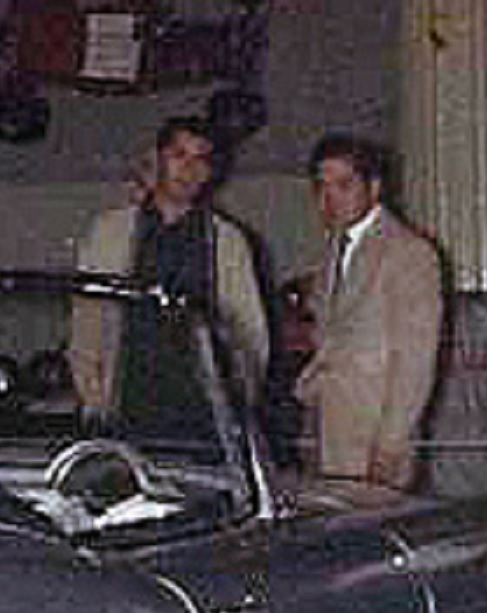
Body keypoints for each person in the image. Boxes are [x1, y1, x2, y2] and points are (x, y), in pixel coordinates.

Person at [72, 115, 270, 413]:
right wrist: (92, 397)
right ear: (157, 159)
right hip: (125, 398)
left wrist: (239, 403)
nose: (189, 169)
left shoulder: (227, 241)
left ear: (210, 172)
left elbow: (249, 331)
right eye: (179, 155)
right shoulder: (110, 231)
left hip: (204, 407)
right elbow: (87, 323)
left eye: (200, 159)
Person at [294, 134, 444, 491]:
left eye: (344, 185)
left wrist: (391, 446)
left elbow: (416, 360)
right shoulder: (334, 249)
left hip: (375, 436)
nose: (329, 199)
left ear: (374, 187)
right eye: (321, 187)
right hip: (329, 428)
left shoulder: (409, 252)